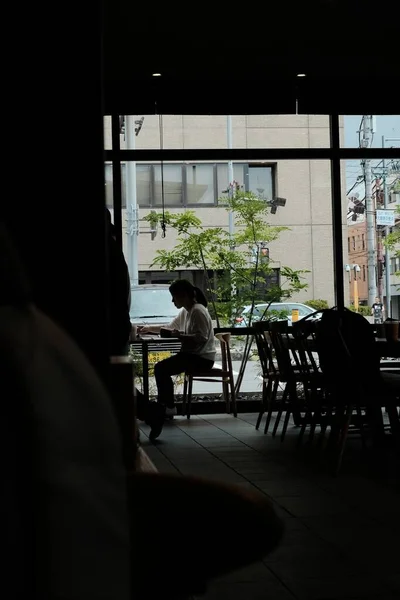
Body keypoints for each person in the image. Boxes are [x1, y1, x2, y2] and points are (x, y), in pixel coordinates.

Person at [141, 279, 215, 440]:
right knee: (161, 368)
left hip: (201, 357)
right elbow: (170, 326)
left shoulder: (197, 311)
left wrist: (179, 335)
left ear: (183, 296)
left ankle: (167, 406)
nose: (172, 301)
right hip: (192, 355)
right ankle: (165, 407)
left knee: (161, 368)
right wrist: (148, 329)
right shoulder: (187, 311)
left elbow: (201, 338)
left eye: (174, 297)